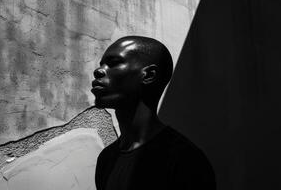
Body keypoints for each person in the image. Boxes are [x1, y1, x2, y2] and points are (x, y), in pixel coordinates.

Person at [92, 36, 216, 190]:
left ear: (149, 75)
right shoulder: (106, 159)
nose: (98, 71)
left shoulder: (184, 158)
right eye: (102, 64)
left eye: (114, 63)